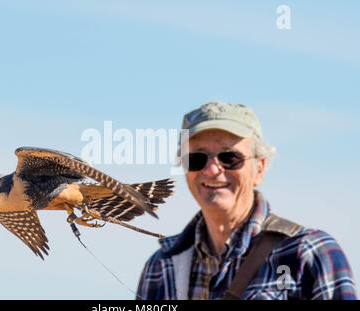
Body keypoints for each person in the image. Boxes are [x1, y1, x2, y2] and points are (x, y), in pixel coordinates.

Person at [136, 101, 357, 300]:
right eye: (196, 158)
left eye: (229, 157)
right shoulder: (160, 267)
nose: (212, 170)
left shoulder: (308, 253)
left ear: (259, 168)